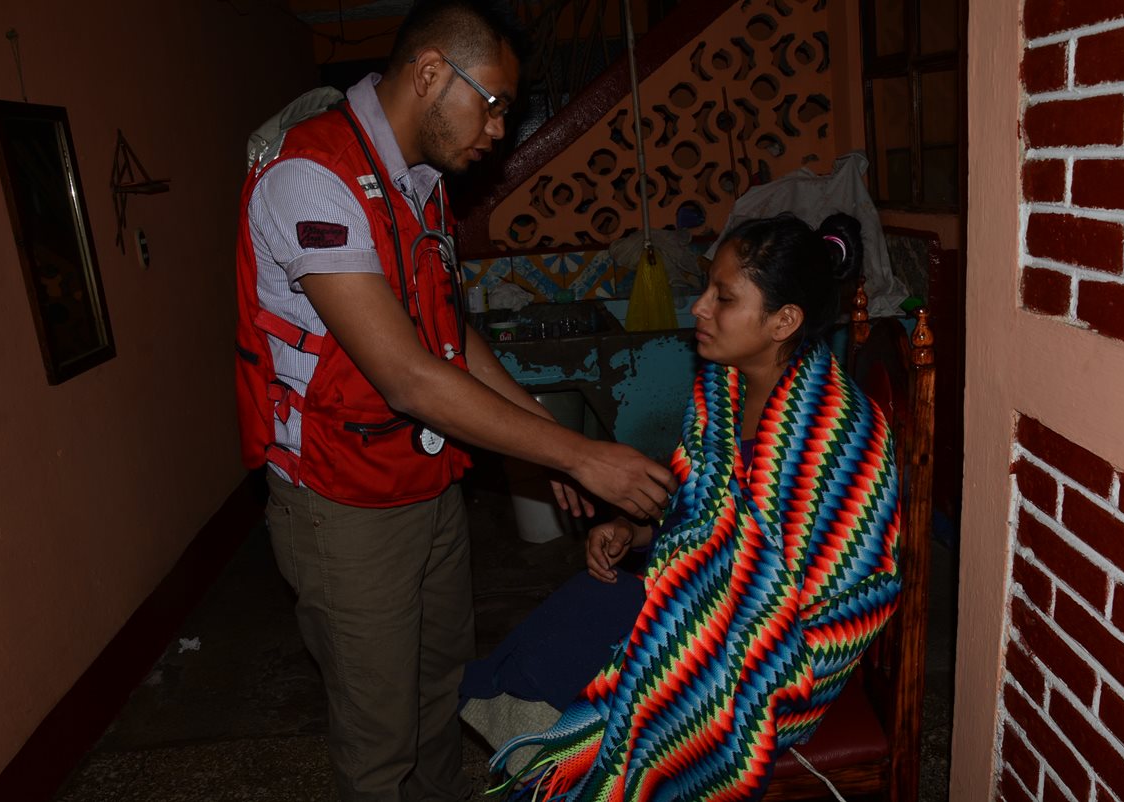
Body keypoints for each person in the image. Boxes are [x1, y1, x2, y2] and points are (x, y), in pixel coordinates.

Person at [233, 2, 677, 799]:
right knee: (380, 734)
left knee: (442, 694)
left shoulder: (422, 181)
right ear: (431, 72)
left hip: (428, 483)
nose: (502, 128)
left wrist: (537, 432)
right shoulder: (313, 178)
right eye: (496, 102)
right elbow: (406, 375)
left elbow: (447, 336)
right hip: (344, 501)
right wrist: (578, 452)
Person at [478, 212, 903, 800]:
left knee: (640, 703)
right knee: (549, 647)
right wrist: (634, 529)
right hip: (705, 595)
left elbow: (851, 595)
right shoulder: (722, 388)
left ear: (784, 320)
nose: (699, 307)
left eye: (723, 297)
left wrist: (715, 633)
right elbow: (697, 507)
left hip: (779, 658)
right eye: (707, 287)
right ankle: (542, 762)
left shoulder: (836, 434)